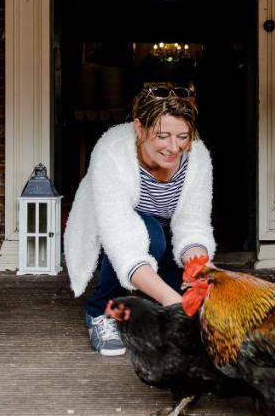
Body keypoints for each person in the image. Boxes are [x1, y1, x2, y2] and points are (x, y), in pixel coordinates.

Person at [63, 84, 214, 356]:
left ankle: (142, 308)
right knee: (151, 239)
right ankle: (102, 312)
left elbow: (193, 223)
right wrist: (175, 304)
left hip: (168, 231)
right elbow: (122, 239)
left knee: (180, 288)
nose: (173, 147)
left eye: (182, 136)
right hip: (114, 231)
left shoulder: (197, 157)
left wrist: (200, 267)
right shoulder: (112, 153)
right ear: (139, 128)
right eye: (163, 136)